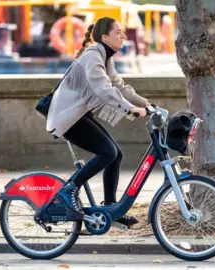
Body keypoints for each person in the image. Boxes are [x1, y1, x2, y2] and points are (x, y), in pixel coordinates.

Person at [46, 17, 150, 226]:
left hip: (79, 115)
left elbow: (120, 87)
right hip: (67, 117)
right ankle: (69, 190)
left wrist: (148, 105)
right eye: (118, 32)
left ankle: (112, 209)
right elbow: (103, 89)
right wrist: (130, 109)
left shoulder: (105, 57)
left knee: (116, 154)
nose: (123, 35)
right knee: (108, 152)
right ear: (104, 37)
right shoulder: (93, 56)